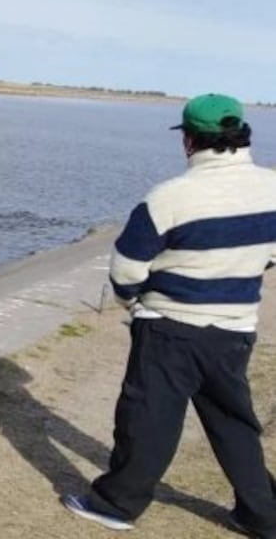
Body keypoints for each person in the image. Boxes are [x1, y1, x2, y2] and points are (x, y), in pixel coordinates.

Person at [61, 93, 276, 536]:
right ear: (243, 138)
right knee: (234, 423)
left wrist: (133, 303)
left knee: (149, 418)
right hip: (235, 327)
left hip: (169, 326)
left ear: (190, 141)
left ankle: (116, 504)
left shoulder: (170, 197)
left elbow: (126, 268)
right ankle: (263, 515)